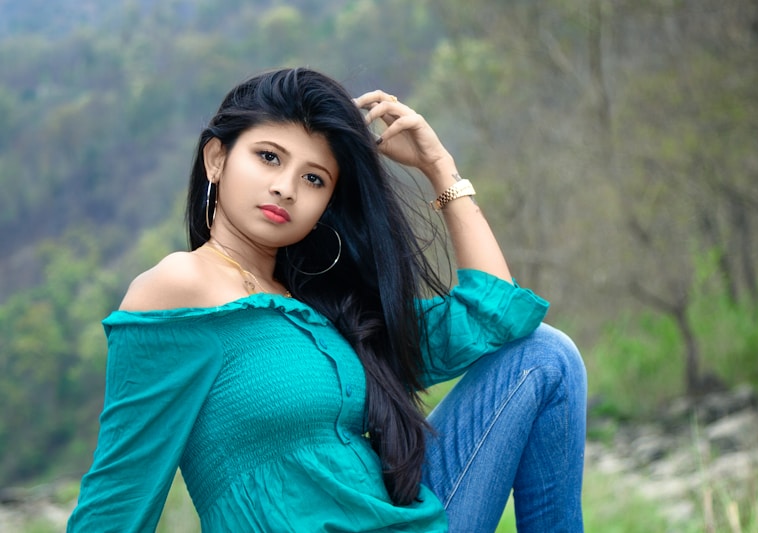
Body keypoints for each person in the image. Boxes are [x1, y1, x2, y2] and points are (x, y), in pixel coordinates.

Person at [67, 67, 587, 532]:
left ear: (324, 204)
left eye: (312, 178)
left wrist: (440, 169)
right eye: (268, 157)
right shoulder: (178, 287)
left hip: (409, 522)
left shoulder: (322, 309)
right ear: (216, 158)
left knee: (545, 354)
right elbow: (120, 492)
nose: (286, 188)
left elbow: (492, 317)